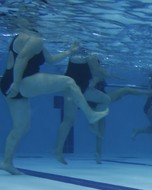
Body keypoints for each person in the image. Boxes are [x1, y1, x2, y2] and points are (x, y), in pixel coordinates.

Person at [0, 29, 107, 175]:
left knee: (21, 127)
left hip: (8, 83)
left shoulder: (25, 38)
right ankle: (90, 114)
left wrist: (70, 51)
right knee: (69, 81)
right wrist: (17, 83)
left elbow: (50, 59)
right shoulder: (35, 38)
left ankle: (6, 162)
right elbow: (22, 58)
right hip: (20, 82)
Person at [53, 54, 152, 164]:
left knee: (71, 119)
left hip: (82, 91)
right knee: (103, 104)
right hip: (83, 93)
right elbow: (96, 75)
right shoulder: (90, 60)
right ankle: (93, 133)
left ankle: (62, 151)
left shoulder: (85, 63)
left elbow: (93, 76)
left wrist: (109, 75)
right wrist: (110, 75)